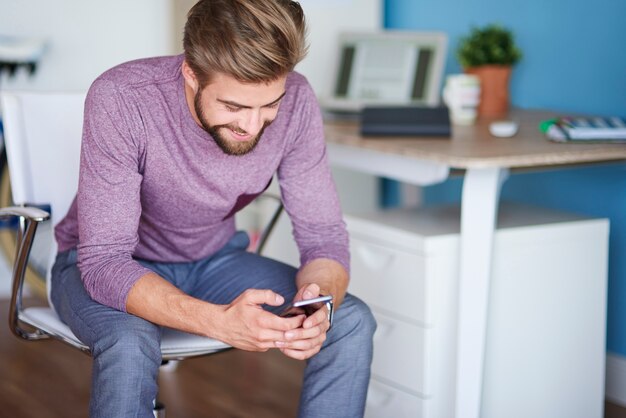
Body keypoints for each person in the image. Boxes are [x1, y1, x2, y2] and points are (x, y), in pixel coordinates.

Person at [50, 0, 376, 417]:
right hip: (104, 266)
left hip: (212, 260)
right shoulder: (122, 98)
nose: (253, 126)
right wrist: (217, 321)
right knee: (131, 342)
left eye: (268, 105)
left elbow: (324, 236)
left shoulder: (297, 101)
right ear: (190, 73)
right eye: (234, 107)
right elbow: (104, 263)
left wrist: (319, 308)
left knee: (351, 321)